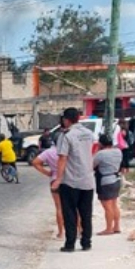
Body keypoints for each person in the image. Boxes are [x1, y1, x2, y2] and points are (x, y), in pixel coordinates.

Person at [51, 108, 96, 253]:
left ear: (66, 120)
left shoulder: (66, 136)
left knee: (70, 213)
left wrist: (58, 179)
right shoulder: (89, 133)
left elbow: (63, 157)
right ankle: (86, 242)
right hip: (87, 179)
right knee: (86, 213)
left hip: (71, 180)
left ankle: (70, 244)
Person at [31, 143, 65, 239]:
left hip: (54, 179)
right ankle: (78, 230)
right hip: (69, 179)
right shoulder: (68, 150)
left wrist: (47, 172)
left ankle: (61, 233)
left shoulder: (48, 152)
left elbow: (35, 162)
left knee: (59, 208)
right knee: (73, 207)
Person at [93, 134, 125, 235]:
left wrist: (96, 150)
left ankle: (109, 228)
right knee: (114, 204)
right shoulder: (118, 151)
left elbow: (92, 165)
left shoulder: (101, 154)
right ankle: (116, 226)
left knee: (107, 206)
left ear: (101, 143)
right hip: (116, 178)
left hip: (105, 180)